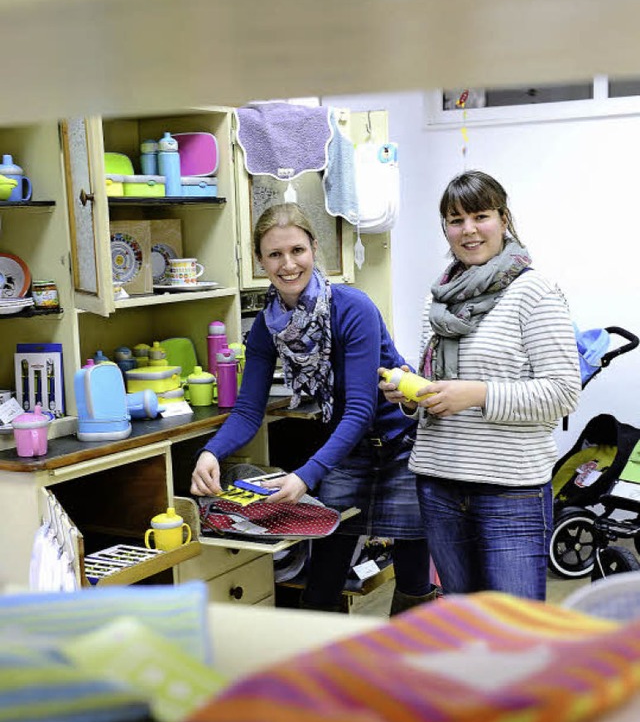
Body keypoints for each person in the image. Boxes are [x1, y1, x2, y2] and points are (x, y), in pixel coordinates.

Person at [191, 202, 434, 614]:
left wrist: (306, 477)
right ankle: (321, 669)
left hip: (401, 448)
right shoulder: (269, 328)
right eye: (274, 254)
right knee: (322, 580)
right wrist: (211, 452)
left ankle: (411, 672)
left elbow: (359, 409)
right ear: (260, 261)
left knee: (412, 579)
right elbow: (250, 410)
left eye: (297, 251)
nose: (288, 264)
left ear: (314, 249)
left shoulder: (352, 308)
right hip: (346, 452)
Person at [379, 170, 581, 601]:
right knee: (464, 624)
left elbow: (563, 392)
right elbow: (435, 384)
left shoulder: (536, 293)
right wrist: (411, 398)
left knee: (515, 633)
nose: (468, 230)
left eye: (480, 216)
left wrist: (478, 394)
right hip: (439, 482)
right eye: (455, 220)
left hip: (511, 491)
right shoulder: (438, 299)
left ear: (504, 219)